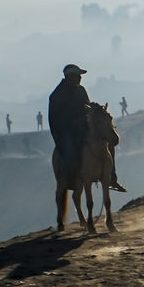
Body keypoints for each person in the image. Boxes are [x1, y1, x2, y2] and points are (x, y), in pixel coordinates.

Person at [49, 63, 126, 192]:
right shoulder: (57, 95)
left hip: (84, 126)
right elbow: (56, 119)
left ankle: (111, 177)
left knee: (107, 140)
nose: (80, 78)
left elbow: (86, 105)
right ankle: (71, 179)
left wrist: (94, 108)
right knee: (70, 152)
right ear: (70, 76)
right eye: (78, 75)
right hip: (67, 132)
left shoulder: (80, 90)